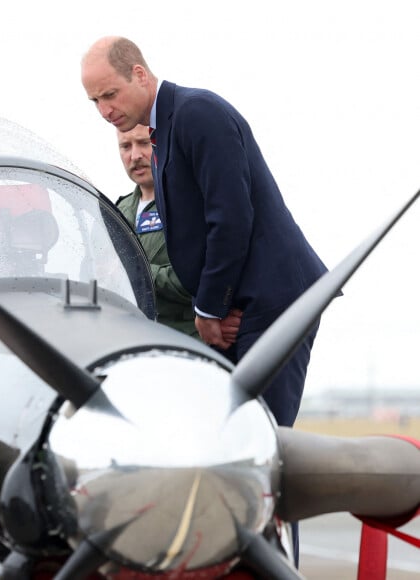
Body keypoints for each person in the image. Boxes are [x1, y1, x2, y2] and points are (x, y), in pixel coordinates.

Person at [82, 35, 328, 568]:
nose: (105, 111)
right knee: (220, 445)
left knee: (256, 453)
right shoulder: (166, 130)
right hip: (249, 302)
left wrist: (209, 308)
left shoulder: (197, 114)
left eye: (110, 94)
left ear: (141, 75)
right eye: (94, 102)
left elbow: (229, 218)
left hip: (274, 300)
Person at [115, 124, 242, 342]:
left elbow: (200, 279)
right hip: (128, 343)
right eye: (126, 146)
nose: (135, 155)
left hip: (185, 342)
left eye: (143, 143)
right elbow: (94, 275)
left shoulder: (190, 205)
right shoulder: (115, 211)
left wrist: (135, 271)